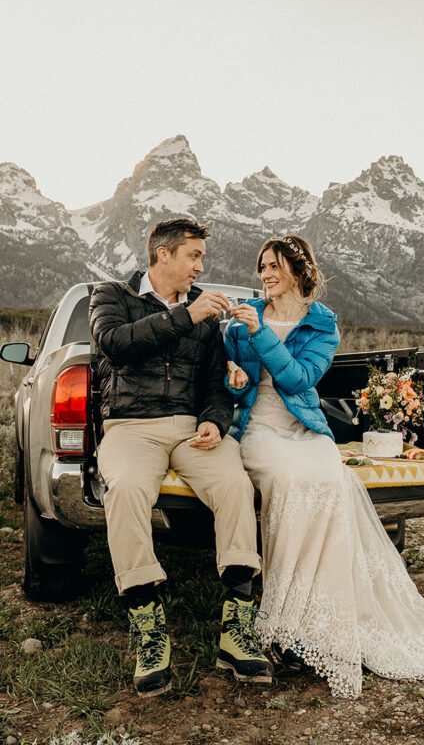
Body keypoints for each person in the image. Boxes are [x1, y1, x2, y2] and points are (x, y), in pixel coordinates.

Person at [222, 234, 424, 698]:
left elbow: (300, 378)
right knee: (292, 480)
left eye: (273, 266)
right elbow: (235, 384)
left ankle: (310, 617)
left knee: (330, 479)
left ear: (297, 271)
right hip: (260, 429)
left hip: (305, 429)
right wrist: (234, 378)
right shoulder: (242, 322)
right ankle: (283, 615)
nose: (265, 275)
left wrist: (258, 334)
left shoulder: (322, 325)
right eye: (261, 267)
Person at [89, 218, 273, 697]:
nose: (200, 266)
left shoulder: (205, 310)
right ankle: (149, 630)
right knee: (126, 490)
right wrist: (185, 318)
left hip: (193, 429)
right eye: (193, 256)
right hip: (132, 427)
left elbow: (216, 381)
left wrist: (216, 419)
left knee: (236, 486)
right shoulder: (111, 295)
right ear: (163, 255)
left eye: (201, 258)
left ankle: (237, 630)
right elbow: (115, 346)